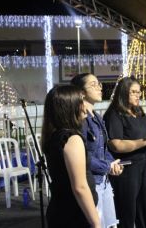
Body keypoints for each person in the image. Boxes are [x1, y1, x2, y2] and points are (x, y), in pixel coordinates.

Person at [103, 76, 146, 228]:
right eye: (134, 92)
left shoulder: (138, 110)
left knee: (145, 207)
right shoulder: (114, 114)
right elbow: (117, 145)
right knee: (127, 212)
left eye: (139, 92)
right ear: (123, 93)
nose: (138, 95)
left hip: (144, 164)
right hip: (127, 168)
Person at [42, 85, 100, 228]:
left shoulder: (55, 136)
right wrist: (96, 223)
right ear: (70, 107)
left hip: (62, 210)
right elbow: (80, 187)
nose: (85, 105)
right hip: (74, 214)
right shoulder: (72, 139)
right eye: (80, 101)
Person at [71, 73, 123, 228]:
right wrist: (106, 166)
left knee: (109, 224)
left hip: (104, 181)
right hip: (91, 183)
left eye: (99, 84)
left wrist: (113, 162)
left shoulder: (97, 117)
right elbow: (83, 156)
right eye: (93, 84)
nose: (99, 88)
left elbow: (104, 147)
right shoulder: (80, 120)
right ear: (81, 93)